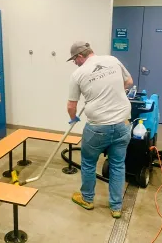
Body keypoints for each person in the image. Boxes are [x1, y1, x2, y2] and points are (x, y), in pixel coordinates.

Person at [66, 41, 133, 218]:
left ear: (80, 56)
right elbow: (129, 82)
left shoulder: (78, 73)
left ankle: (87, 199)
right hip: (122, 124)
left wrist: (73, 118)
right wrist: (113, 93)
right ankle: (116, 207)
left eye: (74, 59)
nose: (75, 63)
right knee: (118, 164)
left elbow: (71, 106)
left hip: (98, 127)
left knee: (88, 163)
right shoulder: (112, 60)